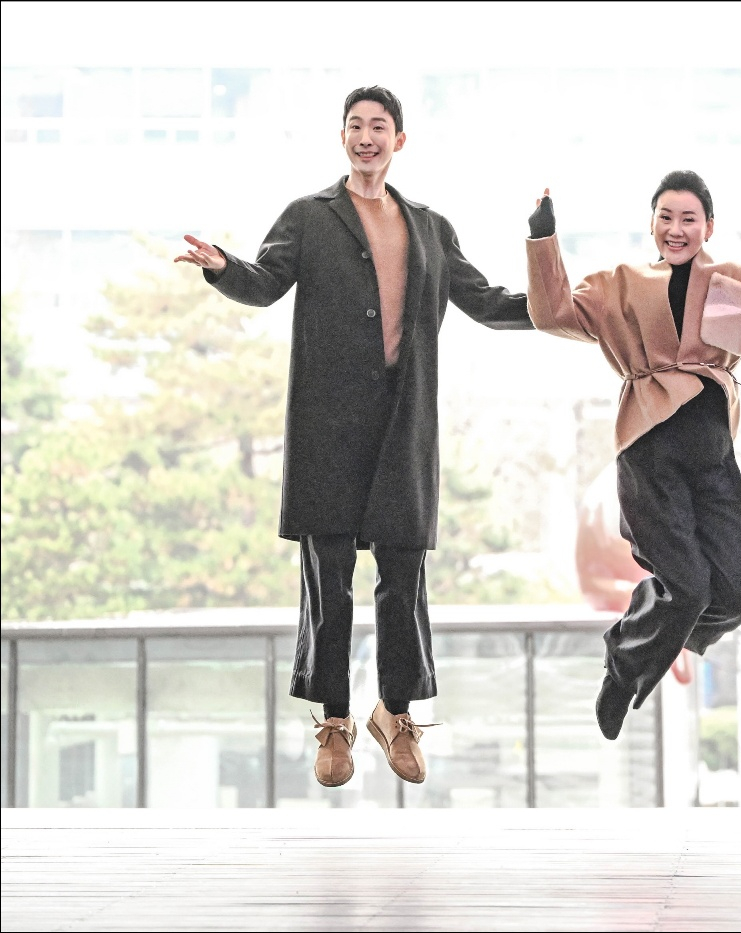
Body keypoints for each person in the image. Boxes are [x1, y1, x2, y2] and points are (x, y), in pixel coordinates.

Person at [174, 86, 534, 788]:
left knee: (403, 574)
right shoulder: (311, 217)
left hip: (404, 423)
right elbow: (265, 280)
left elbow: (487, 302)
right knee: (328, 578)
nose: (366, 136)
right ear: (343, 137)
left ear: (401, 140)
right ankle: (334, 722)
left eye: (379, 127)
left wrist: (557, 305)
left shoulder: (430, 226)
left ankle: (394, 713)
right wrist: (223, 268)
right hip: (328, 422)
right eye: (355, 126)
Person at [524, 170, 741, 740]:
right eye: (666, 217)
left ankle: (664, 628)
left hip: (713, 451)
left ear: (708, 226)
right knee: (686, 585)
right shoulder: (619, 282)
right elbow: (553, 312)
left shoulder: (736, 282)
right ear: (653, 224)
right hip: (648, 446)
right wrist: (544, 238)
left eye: (689, 218)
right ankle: (624, 667)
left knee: (733, 590)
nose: (676, 228)